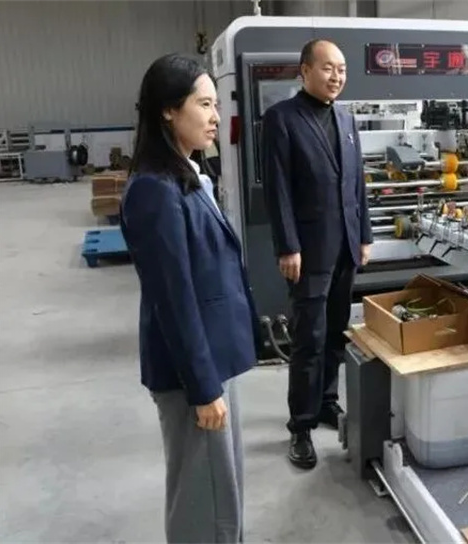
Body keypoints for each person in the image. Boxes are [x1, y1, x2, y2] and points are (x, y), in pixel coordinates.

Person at [120, 53, 261, 542]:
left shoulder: (186, 174)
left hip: (212, 361)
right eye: (204, 104)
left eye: (216, 104)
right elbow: (173, 298)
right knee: (205, 502)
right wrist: (203, 389)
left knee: (223, 490)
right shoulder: (153, 190)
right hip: (192, 375)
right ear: (167, 110)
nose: (215, 116)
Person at [261, 38, 372, 470]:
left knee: (337, 332)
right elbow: (277, 189)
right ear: (304, 70)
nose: (336, 76)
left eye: (341, 69)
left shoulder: (346, 118)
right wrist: (287, 245)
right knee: (308, 338)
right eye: (328, 68)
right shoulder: (282, 119)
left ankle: (326, 401)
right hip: (307, 252)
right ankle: (301, 426)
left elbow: (358, 184)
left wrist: (364, 235)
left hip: (345, 247)